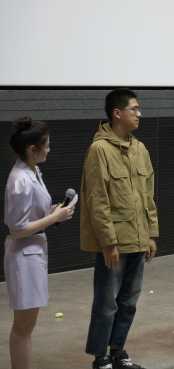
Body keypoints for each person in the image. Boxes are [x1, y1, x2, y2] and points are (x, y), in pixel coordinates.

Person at [81, 89, 159, 369]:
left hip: (138, 239)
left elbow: (148, 195)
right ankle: (100, 356)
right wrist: (108, 242)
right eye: (134, 109)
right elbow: (97, 200)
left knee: (128, 302)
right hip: (115, 242)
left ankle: (117, 351)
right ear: (117, 113)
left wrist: (151, 234)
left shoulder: (140, 149)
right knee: (107, 303)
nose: (139, 114)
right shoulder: (99, 150)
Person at [4, 117, 74, 369]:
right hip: (23, 257)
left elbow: (30, 215)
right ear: (33, 149)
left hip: (32, 253)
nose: (49, 149)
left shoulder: (32, 171)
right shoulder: (20, 180)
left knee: (27, 325)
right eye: (46, 145)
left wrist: (52, 211)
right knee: (23, 327)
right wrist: (53, 218)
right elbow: (16, 230)